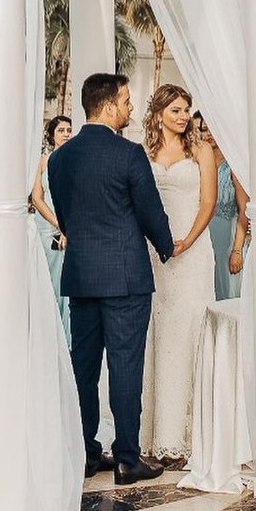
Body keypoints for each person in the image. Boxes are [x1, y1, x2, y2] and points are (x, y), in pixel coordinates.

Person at [48, 73, 175, 485]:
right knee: (125, 367)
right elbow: (150, 211)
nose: (130, 108)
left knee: (84, 369)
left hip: (82, 277)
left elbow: (65, 218)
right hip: (125, 279)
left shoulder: (59, 159)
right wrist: (167, 245)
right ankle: (126, 458)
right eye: (125, 101)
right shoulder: (129, 154)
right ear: (107, 106)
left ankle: (86, 452)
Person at [140, 85, 217, 459]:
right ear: (158, 114)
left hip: (192, 251)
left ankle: (190, 434)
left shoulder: (201, 150)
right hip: (155, 254)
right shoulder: (144, 152)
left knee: (190, 330)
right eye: (176, 110)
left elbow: (208, 202)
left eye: (186, 109)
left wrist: (187, 240)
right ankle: (157, 432)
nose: (184, 116)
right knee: (159, 333)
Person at [30, 114, 73, 344]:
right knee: (48, 282)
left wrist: (69, 227)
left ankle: (66, 338)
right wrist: (59, 224)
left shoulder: (75, 161)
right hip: (47, 227)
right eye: (61, 130)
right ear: (52, 134)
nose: (66, 134)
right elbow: (37, 198)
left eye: (69, 130)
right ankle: (47, 337)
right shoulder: (43, 161)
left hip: (70, 230)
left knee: (66, 284)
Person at [199, 117, 250, 300]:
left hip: (228, 239)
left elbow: (244, 211)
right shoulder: (197, 164)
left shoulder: (233, 167)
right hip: (202, 237)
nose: (209, 134)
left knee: (226, 293)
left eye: (213, 129)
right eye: (204, 130)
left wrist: (237, 250)